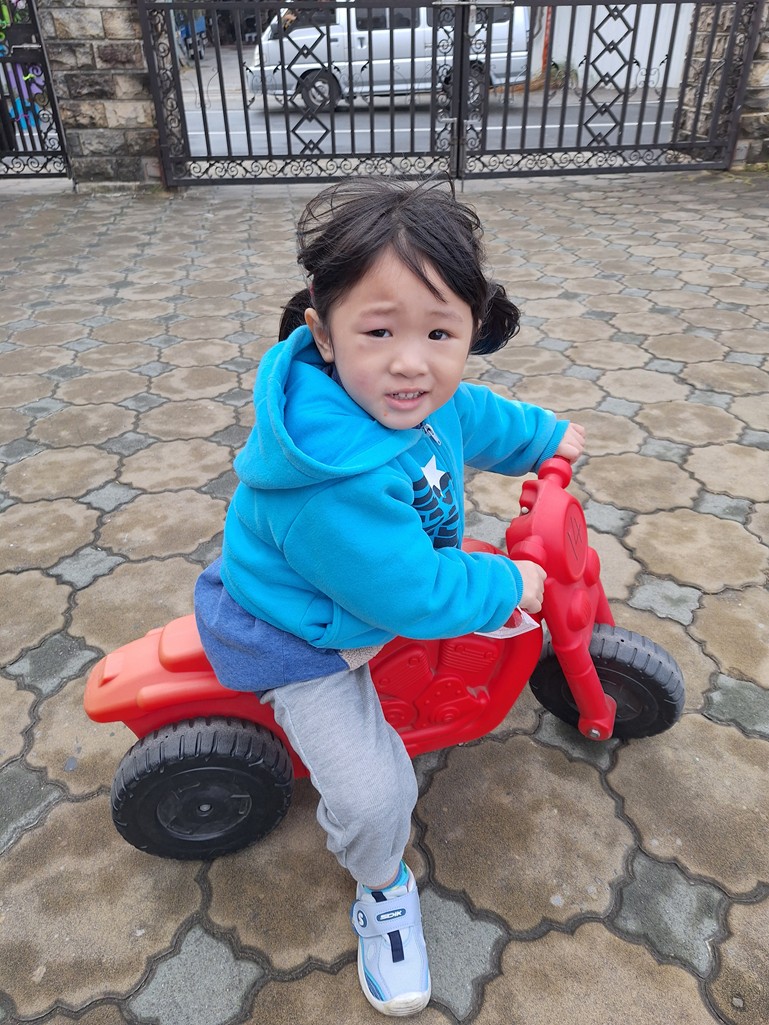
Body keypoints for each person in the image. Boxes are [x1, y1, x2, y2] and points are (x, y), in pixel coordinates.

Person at [194, 177, 585, 1017]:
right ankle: (381, 887)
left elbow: (473, 414)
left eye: (440, 332)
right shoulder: (331, 480)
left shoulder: (421, 397)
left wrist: (544, 436)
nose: (412, 362)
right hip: (305, 635)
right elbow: (411, 593)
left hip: (374, 580)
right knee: (377, 793)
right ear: (323, 334)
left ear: (470, 330)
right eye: (378, 331)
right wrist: (507, 581)